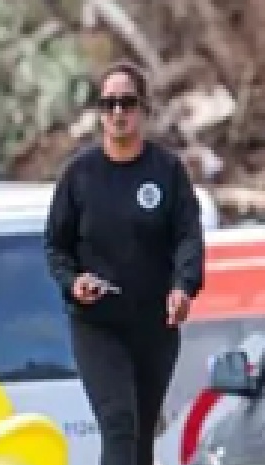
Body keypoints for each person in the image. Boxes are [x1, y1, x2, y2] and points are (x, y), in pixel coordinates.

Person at [44, 59, 205, 465]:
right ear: (99, 113)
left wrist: (183, 287)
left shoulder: (167, 171)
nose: (118, 112)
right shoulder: (79, 175)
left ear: (143, 110)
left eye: (127, 103)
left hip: (154, 325)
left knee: (140, 440)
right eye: (109, 103)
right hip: (97, 324)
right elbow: (55, 246)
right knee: (119, 423)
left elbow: (188, 236)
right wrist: (73, 282)